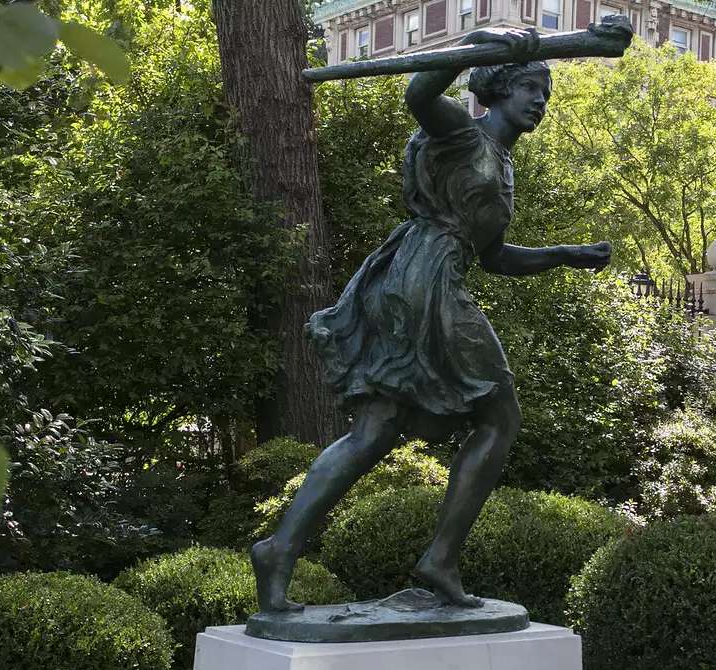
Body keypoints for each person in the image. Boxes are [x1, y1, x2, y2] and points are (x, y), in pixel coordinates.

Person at [250, 26, 613, 613]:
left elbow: (492, 256)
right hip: (425, 282)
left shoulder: (499, 161)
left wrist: (565, 255)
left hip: (424, 276)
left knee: (375, 431)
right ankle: (440, 559)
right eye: (527, 86)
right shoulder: (460, 135)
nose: (539, 99)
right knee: (498, 419)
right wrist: (480, 36)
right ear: (494, 87)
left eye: (544, 91)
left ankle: (280, 548)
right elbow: (418, 97)